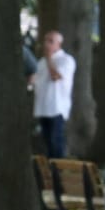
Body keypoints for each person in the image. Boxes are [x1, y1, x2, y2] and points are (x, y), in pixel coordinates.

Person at [30, 30, 76, 159]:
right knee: (48, 143)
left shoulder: (66, 60)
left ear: (59, 44)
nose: (46, 44)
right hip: (43, 108)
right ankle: (50, 170)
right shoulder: (41, 63)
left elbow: (56, 76)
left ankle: (58, 171)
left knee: (56, 142)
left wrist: (49, 58)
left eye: (51, 41)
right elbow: (36, 82)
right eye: (45, 41)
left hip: (57, 108)